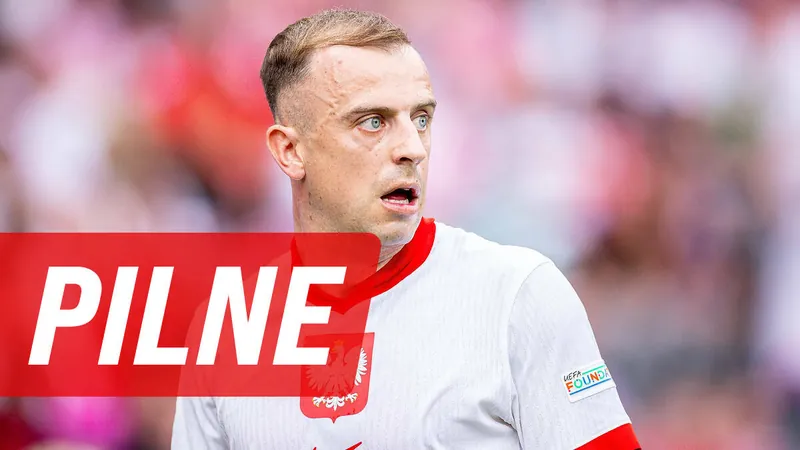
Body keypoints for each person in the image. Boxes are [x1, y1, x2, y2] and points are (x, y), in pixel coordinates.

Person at [171, 8, 641, 449]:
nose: (413, 148)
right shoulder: (226, 328)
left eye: (421, 119)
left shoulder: (518, 295)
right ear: (290, 151)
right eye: (373, 122)